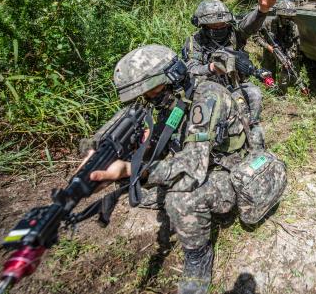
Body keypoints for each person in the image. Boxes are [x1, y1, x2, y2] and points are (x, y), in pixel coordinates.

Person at [80, 44, 286, 294]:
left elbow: (193, 168)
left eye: (151, 90)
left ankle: (198, 257)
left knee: (181, 197)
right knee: (140, 174)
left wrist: (130, 169)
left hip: (227, 167)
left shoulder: (206, 97)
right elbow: (164, 135)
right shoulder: (176, 95)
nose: (148, 98)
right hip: (201, 158)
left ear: (171, 78)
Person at [182, 0, 281, 150]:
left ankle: (252, 139)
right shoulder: (195, 41)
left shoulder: (234, 33)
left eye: (223, 24)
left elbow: (248, 26)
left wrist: (262, 10)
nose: (221, 28)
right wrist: (212, 68)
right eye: (215, 26)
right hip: (209, 90)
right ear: (203, 26)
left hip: (235, 85)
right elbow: (190, 69)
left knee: (254, 94)